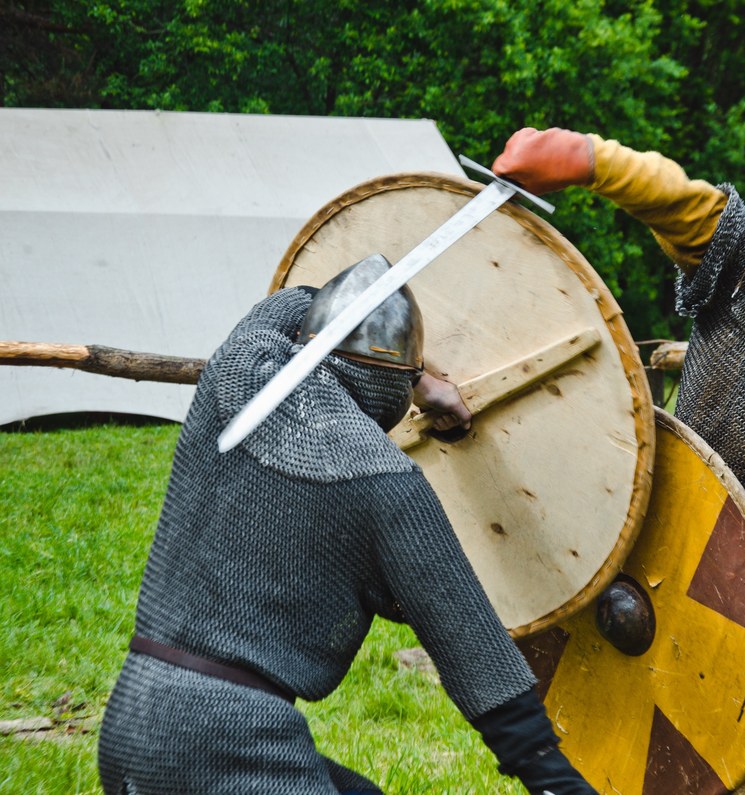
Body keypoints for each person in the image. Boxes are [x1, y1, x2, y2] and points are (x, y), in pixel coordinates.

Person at [97, 253, 598, 795]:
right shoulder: (380, 479)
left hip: (131, 720)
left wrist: (415, 371)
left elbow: (289, 305)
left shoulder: (238, 368)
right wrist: (556, 783)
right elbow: (473, 650)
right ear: (396, 384)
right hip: (227, 747)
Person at [493, 128, 745, 795]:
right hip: (652, 533)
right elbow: (677, 198)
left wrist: (683, 548)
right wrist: (587, 159)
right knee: (615, 732)